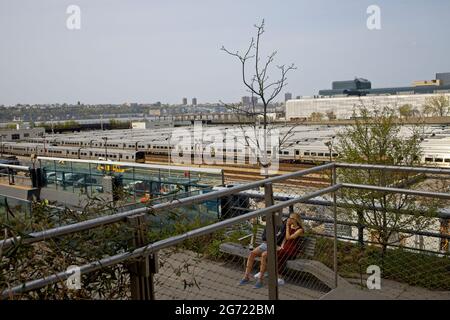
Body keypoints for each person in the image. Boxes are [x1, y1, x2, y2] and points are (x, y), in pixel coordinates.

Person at [254, 212, 304, 289]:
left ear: (296, 220)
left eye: (291, 218)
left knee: (275, 255)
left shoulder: (300, 230)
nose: (289, 219)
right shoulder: (289, 227)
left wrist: (287, 226)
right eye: (289, 217)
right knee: (265, 254)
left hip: (291, 250)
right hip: (284, 248)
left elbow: (288, 237)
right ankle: (263, 272)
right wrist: (281, 247)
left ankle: (280, 277)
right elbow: (284, 240)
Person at [239, 218, 286, 285]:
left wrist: (270, 239)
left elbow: (279, 240)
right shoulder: (269, 225)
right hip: (265, 244)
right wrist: (271, 238)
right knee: (252, 253)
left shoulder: (282, 227)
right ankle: (246, 277)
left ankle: (260, 279)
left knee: (263, 255)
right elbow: (263, 237)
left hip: (275, 246)